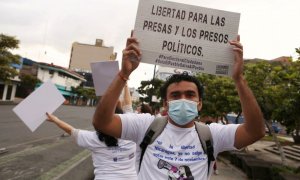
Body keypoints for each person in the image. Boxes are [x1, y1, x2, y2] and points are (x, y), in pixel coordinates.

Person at [93, 32, 265, 179]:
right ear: (165, 104)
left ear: (199, 104)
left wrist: (238, 79)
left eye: (190, 95)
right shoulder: (145, 126)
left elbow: (255, 131)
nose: (183, 99)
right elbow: (102, 122)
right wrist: (124, 74)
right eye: (175, 95)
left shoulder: (212, 134)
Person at [46, 108, 137, 180]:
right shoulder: (133, 136)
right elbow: (128, 109)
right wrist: (123, 86)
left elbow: (71, 131)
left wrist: (55, 120)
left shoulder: (95, 139)